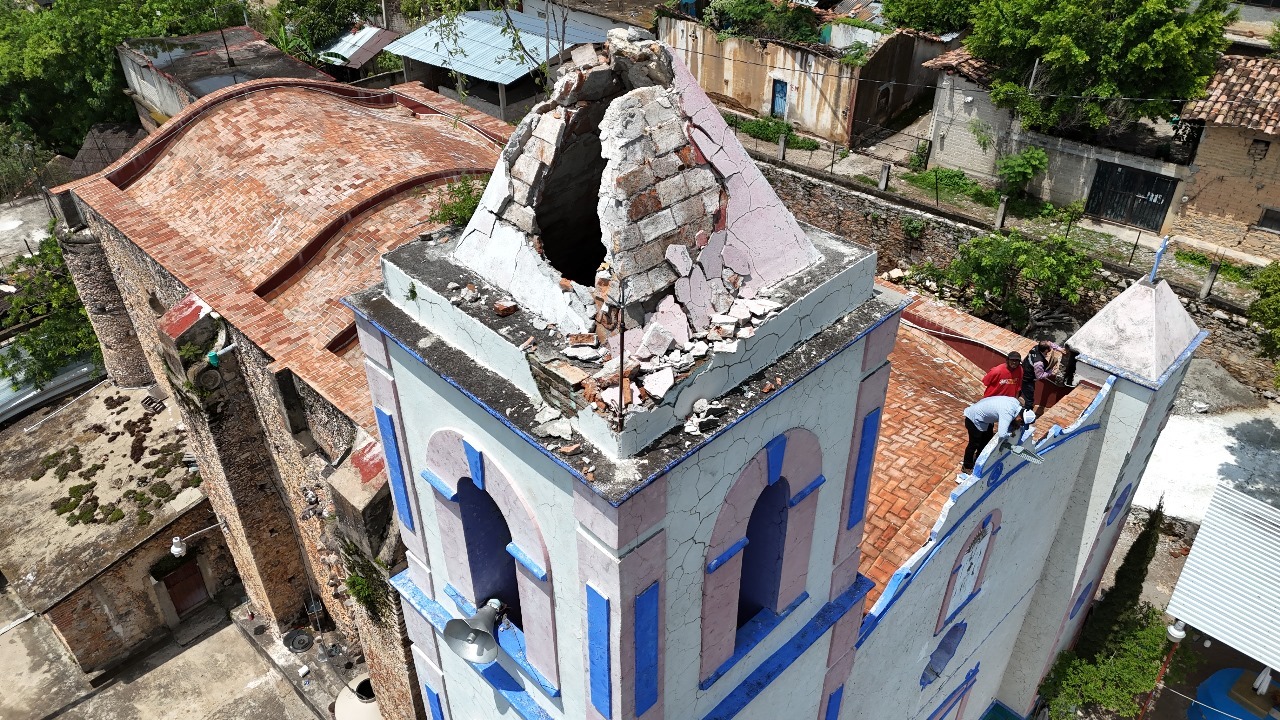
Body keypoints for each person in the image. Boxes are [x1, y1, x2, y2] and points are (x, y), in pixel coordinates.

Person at [961, 395, 1036, 473]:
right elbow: (1002, 434)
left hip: (985, 417)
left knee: (986, 441)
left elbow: (1012, 419)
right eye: (1021, 423)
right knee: (974, 444)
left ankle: (978, 458)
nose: (1020, 425)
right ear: (1020, 418)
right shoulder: (1007, 413)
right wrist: (1010, 434)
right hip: (974, 418)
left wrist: (1014, 425)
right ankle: (967, 466)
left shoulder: (1015, 403)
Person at [1021, 339, 1063, 410]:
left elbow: (1049, 343)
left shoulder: (1037, 347)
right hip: (1027, 379)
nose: (1051, 345)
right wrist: (1050, 371)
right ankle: (1027, 413)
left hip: (1025, 369)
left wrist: (1060, 349)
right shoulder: (1039, 362)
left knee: (1022, 391)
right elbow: (1040, 376)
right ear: (1046, 350)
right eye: (1049, 347)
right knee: (1029, 398)